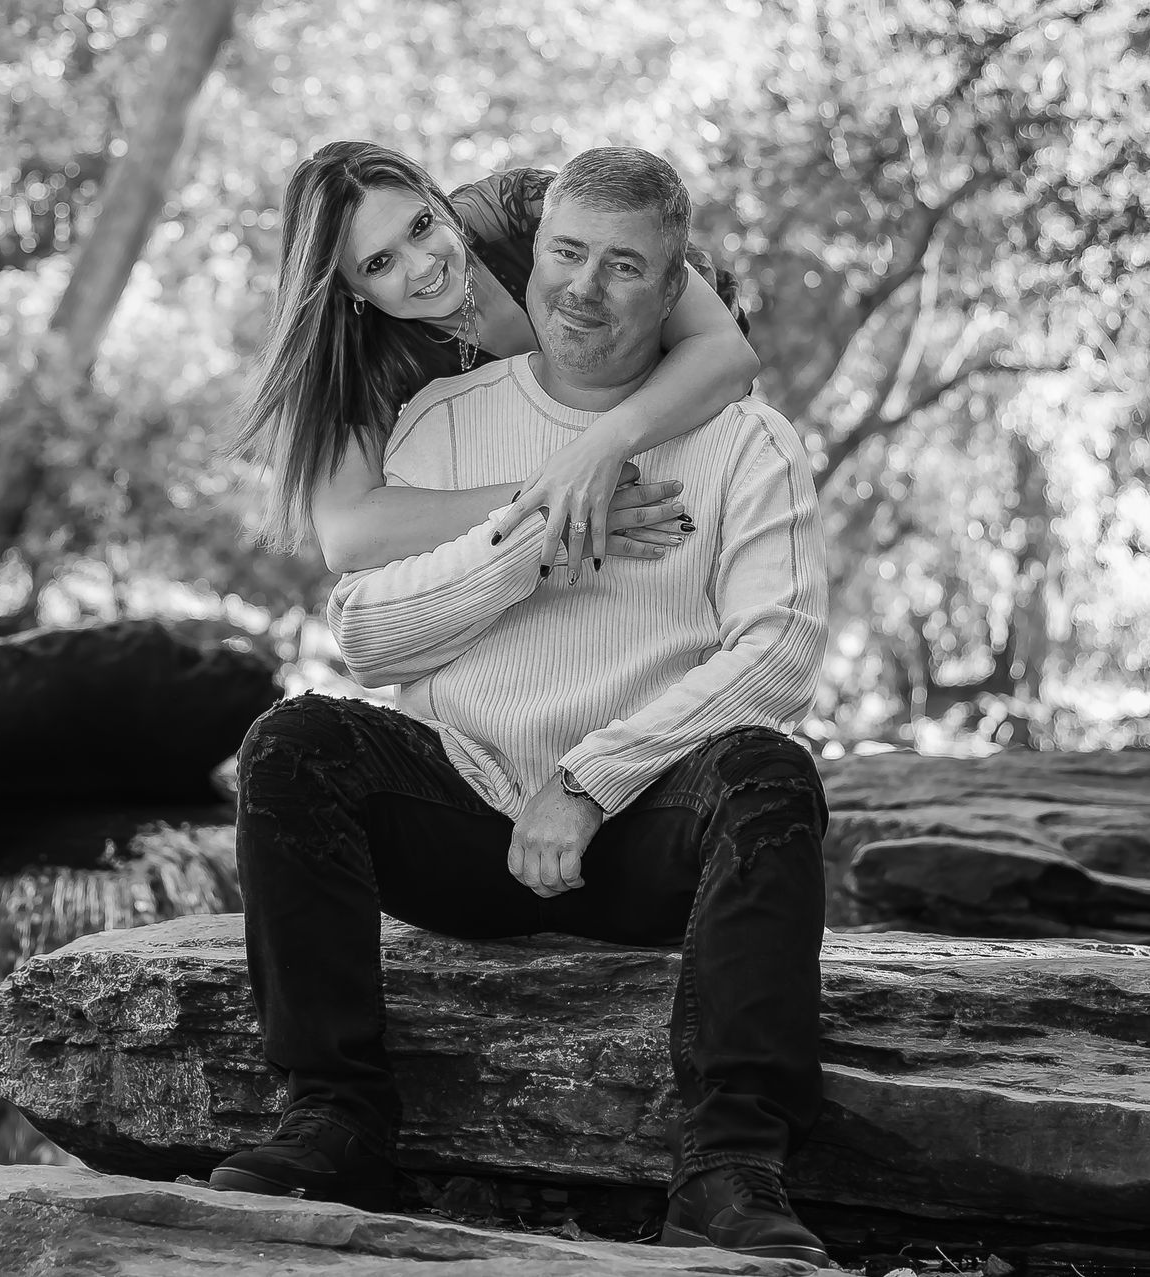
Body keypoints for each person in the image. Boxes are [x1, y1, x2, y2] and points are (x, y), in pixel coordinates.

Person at [211, 146, 832, 1267]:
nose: (586, 289)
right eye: (570, 256)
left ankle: (731, 1167)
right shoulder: (439, 419)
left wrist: (594, 779)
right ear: (533, 259)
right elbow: (366, 632)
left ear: (675, 279)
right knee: (293, 744)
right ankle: (335, 1119)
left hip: (645, 832)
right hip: (467, 811)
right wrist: (539, 535)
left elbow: (781, 651)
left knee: (770, 772)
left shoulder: (749, 439)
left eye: (625, 265)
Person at [222, 140, 760, 578]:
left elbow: (725, 353)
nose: (424, 264)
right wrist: (544, 497)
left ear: (437, 200)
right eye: (381, 262)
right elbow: (348, 533)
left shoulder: (519, 210)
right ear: (349, 289)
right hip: (581, 506)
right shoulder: (361, 362)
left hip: (681, 410)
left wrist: (601, 448)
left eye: (421, 226)